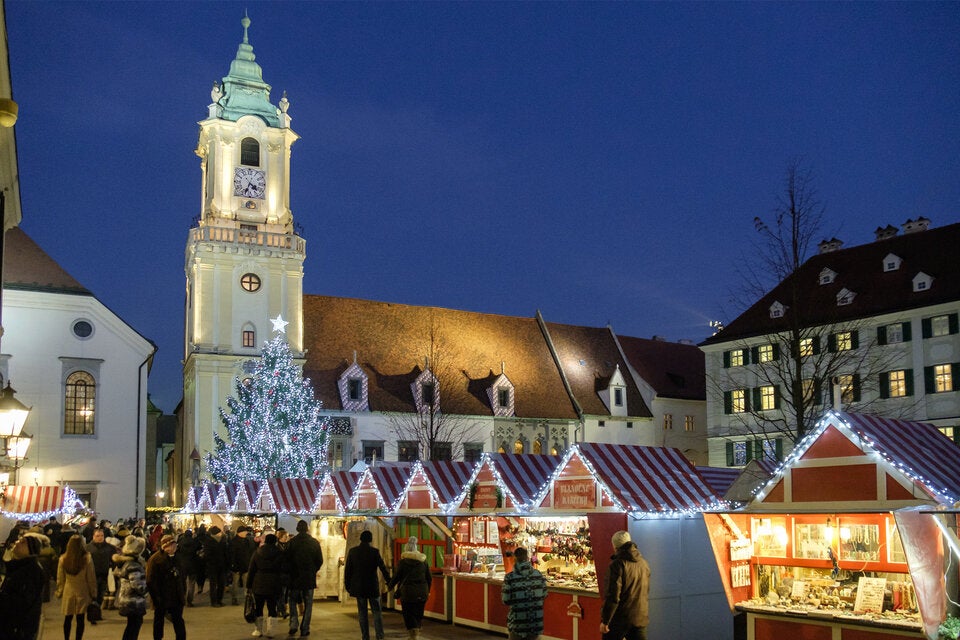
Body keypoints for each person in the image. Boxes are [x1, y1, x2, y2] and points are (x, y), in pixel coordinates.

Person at [599, 531, 650, 640]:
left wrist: (605, 620)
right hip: (639, 616)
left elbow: (613, 595)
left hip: (620, 618)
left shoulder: (617, 565)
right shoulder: (643, 563)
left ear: (615, 546)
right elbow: (645, 590)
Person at [344, 530, 391, 640]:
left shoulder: (353, 552)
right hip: (372, 586)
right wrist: (389, 581)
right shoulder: (374, 552)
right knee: (377, 612)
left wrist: (347, 585)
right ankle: (380, 635)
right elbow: (382, 568)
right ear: (370, 539)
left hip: (359, 587)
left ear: (360, 538)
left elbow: (348, 570)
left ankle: (365, 636)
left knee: (362, 612)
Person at [0, 534, 46, 640]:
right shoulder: (18, 567)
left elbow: (20, 604)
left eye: (23, 542)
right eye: (19, 540)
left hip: (17, 630)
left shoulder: (31, 571)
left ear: (31, 550)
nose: (17, 543)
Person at [285, 519, 324, 637]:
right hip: (308, 577)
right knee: (308, 603)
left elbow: (286, 560)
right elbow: (319, 560)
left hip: (295, 577)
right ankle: (305, 627)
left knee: (292, 601)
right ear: (307, 529)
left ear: (297, 529)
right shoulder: (314, 543)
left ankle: (293, 623)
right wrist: (313, 570)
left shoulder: (291, 542)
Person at [389, 537, 432, 640]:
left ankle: (413, 635)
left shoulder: (403, 562)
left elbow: (397, 577)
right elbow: (429, 577)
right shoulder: (423, 561)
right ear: (416, 548)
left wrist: (389, 586)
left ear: (406, 549)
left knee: (408, 613)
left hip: (407, 592)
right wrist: (427, 590)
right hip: (422, 591)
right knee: (419, 612)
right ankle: (416, 631)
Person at [57, 534, 98, 640]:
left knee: (68, 618)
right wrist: (93, 592)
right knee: (80, 619)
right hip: (82, 591)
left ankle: (66, 638)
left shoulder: (63, 559)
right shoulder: (87, 558)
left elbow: (60, 578)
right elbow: (91, 577)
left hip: (69, 590)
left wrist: (60, 591)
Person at [146, 534, 187, 640]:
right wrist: (156, 598)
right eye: (171, 545)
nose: (174, 547)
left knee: (178, 620)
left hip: (176, 596)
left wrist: (183, 592)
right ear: (164, 546)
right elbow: (150, 580)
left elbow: (182, 576)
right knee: (159, 621)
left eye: (174, 545)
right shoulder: (155, 559)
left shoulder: (178, 557)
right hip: (161, 596)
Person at [501, 547, 547, 640]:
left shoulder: (510, 577)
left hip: (518, 622)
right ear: (527, 557)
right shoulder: (538, 574)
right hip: (535, 621)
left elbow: (506, 600)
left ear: (514, 558)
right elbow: (544, 594)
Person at [247, 533, 286, 638]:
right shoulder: (280, 553)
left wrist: (248, 585)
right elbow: (284, 569)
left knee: (258, 607)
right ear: (275, 542)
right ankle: (271, 631)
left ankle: (258, 630)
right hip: (274, 583)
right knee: (272, 607)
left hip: (258, 583)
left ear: (265, 541)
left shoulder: (257, 552)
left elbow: (251, 570)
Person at [114, 535, 149, 640]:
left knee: (131, 626)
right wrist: (147, 590)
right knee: (134, 627)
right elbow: (137, 585)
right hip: (134, 601)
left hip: (127, 599)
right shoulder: (133, 565)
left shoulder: (125, 563)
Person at [86, 528, 114, 611]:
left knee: (101, 594)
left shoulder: (109, 547)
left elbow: (114, 558)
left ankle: (97, 611)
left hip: (104, 574)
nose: (100, 538)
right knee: (92, 594)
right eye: (97, 536)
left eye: (102, 536)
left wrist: (111, 567)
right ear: (93, 536)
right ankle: (93, 612)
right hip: (92, 575)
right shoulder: (88, 548)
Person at [201, 525, 229, 607]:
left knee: (221, 584)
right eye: (219, 532)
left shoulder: (223, 541)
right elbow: (207, 555)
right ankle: (214, 601)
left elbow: (225, 553)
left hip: (222, 565)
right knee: (213, 585)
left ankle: (219, 600)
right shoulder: (209, 541)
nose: (221, 533)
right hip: (212, 566)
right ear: (216, 533)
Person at [230, 525, 257, 606]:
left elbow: (249, 553)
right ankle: (234, 599)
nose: (246, 533)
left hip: (246, 566)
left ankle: (247, 598)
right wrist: (233, 565)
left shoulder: (246, 541)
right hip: (237, 567)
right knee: (235, 583)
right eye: (244, 532)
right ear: (240, 533)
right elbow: (232, 555)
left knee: (247, 583)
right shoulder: (234, 542)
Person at [176, 529, 202, 606]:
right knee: (192, 583)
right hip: (192, 564)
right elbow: (200, 548)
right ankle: (189, 600)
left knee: (182, 582)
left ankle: (182, 598)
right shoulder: (194, 542)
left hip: (183, 565)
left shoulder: (180, 542)